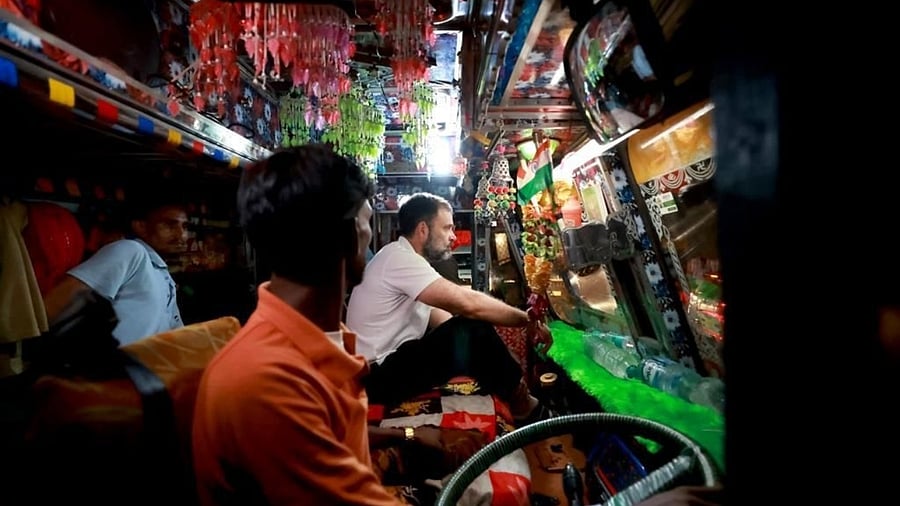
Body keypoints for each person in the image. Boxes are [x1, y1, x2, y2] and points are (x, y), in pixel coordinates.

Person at [192, 145, 478, 506]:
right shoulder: (267, 381)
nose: (371, 236)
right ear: (343, 238)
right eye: (366, 223)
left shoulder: (311, 337)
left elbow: (328, 433)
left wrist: (405, 435)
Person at [347, 192, 548, 421]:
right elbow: (468, 304)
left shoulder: (406, 262)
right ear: (423, 230)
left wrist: (495, 350)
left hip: (387, 368)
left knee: (472, 331)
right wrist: (527, 319)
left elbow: (444, 321)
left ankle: (518, 400)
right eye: (447, 228)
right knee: (472, 326)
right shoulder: (398, 259)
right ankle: (528, 409)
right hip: (376, 377)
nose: (453, 236)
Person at [42, 193, 187, 346]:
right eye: (169, 225)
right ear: (141, 227)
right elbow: (58, 302)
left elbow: (175, 332)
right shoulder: (131, 251)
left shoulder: (161, 272)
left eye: (184, 227)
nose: (181, 235)